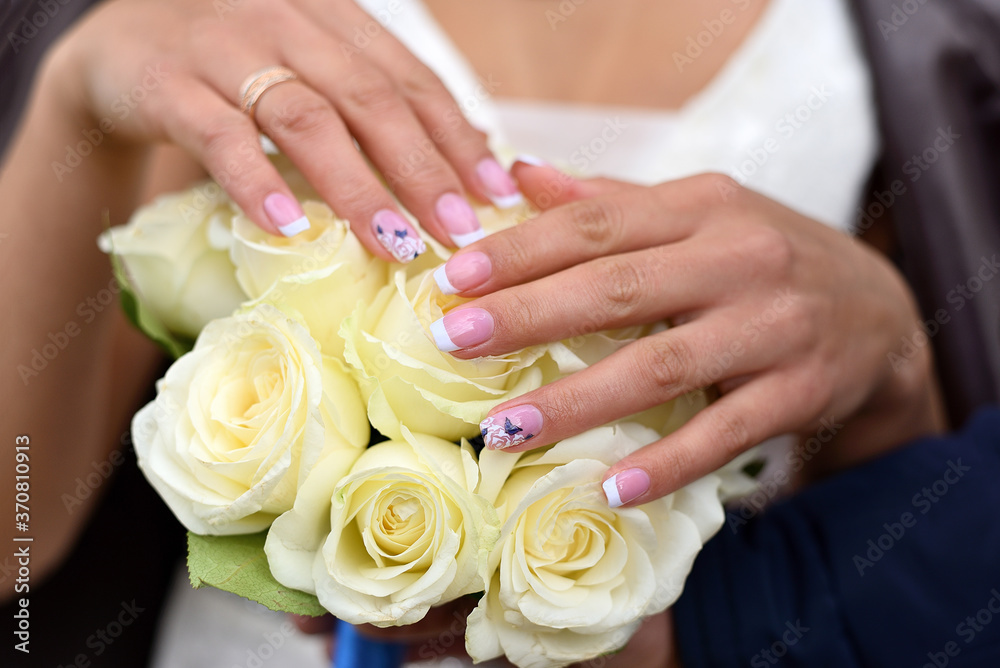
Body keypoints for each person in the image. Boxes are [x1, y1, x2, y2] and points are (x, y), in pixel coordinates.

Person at [0, 0, 995, 665]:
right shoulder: (235, 17)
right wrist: (73, 95)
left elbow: (897, 546)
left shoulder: (920, 36)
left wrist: (896, 353)